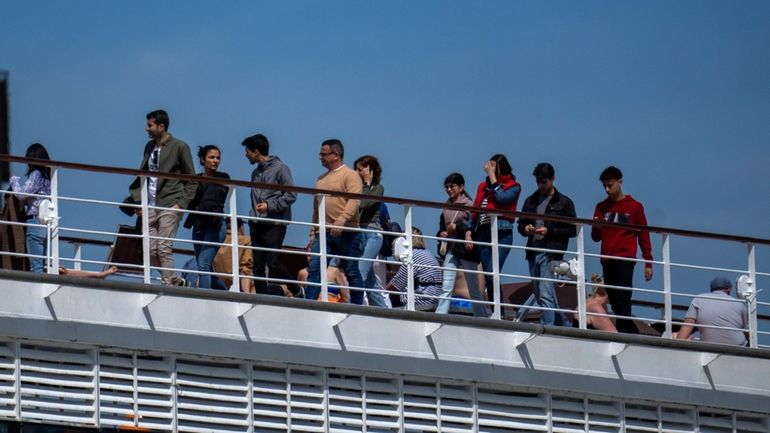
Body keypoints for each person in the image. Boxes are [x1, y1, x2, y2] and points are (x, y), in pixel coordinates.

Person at [128, 109, 196, 286]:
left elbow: (192, 179)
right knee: (149, 250)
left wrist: (181, 204)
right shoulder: (149, 147)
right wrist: (137, 200)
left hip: (170, 203)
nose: (146, 129)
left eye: (150, 125)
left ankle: (168, 286)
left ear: (161, 126)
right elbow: (143, 174)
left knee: (164, 248)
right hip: (150, 203)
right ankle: (175, 280)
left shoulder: (180, 147)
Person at [591, 166, 653, 334]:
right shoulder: (601, 207)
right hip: (607, 257)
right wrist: (596, 227)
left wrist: (648, 261)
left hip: (625, 258)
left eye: (610, 185)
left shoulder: (635, 207)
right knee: (614, 299)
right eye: (604, 186)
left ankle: (627, 331)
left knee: (623, 297)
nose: (607, 189)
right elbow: (595, 237)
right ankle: (627, 330)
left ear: (620, 182)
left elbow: (644, 235)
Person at [517, 163, 576, 326]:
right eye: (538, 182)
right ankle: (564, 324)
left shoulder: (564, 203)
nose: (541, 186)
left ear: (552, 179)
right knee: (540, 292)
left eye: (544, 182)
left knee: (544, 293)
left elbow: (572, 230)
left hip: (552, 253)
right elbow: (520, 224)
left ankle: (547, 328)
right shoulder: (531, 200)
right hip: (533, 251)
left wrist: (549, 230)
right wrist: (526, 228)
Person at [306, 139, 365, 304]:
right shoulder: (320, 179)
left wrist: (341, 220)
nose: (320, 157)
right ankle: (309, 303)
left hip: (348, 232)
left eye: (323, 154)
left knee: (351, 271)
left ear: (336, 155)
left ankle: (358, 305)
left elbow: (354, 200)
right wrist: (313, 232)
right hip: (323, 232)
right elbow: (316, 208)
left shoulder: (350, 175)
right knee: (315, 269)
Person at [464, 154, 521, 315]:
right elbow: (475, 210)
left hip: (501, 233)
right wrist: (469, 231)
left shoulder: (513, 186)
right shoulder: (483, 187)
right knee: (489, 274)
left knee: (492, 271)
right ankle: (497, 311)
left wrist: (492, 177)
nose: (490, 169)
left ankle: (499, 312)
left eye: (493, 166)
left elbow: (503, 198)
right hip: (482, 233)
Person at [241, 133, 297, 294]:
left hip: (275, 224)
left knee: (272, 263)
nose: (246, 155)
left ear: (256, 151)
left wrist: (269, 206)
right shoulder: (255, 173)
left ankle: (295, 289)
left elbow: (291, 195)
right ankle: (261, 296)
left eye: (247, 151)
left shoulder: (281, 168)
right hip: (257, 224)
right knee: (257, 265)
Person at [435, 173, 485, 317]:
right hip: (452, 249)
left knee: (473, 287)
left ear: (461, 187)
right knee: (447, 285)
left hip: (465, 249)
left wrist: (457, 228)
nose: (449, 189)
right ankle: (440, 316)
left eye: (452, 186)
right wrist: (441, 233)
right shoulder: (446, 207)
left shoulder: (469, 205)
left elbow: (474, 228)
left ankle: (481, 316)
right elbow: (441, 227)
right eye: (446, 187)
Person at [183, 145, 229, 290]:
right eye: (212, 157)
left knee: (203, 264)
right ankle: (225, 293)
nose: (215, 161)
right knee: (205, 268)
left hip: (215, 224)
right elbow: (188, 199)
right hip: (199, 224)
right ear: (203, 160)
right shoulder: (195, 179)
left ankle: (204, 299)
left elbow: (211, 199)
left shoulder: (223, 177)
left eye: (218, 158)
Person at [10, 143, 52, 273]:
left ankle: (39, 293)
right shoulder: (48, 177)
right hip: (46, 223)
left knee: (36, 266)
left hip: (34, 221)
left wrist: (14, 181)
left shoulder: (36, 174)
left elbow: (22, 194)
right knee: (42, 264)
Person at [354, 155, 388, 307]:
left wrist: (367, 184)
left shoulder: (378, 188)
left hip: (373, 234)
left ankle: (353, 306)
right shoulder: (356, 187)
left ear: (370, 171)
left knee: (360, 271)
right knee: (370, 282)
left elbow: (364, 204)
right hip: (359, 233)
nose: (356, 172)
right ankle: (383, 310)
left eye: (360, 169)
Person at [676, 276, 748, 346]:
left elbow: (688, 323)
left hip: (710, 347)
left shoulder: (699, 299)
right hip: (738, 347)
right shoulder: (740, 304)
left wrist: (678, 342)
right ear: (729, 288)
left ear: (711, 288)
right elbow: (747, 332)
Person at [387, 227, 444, 310]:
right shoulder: (427, 254)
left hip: (422, 301)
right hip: (433, 299)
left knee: (390, 300)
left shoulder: (413, 256)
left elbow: (396, 283)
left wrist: (381, 292)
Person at [212, 219, 254, 293]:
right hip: (236, 286)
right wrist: (246, 294)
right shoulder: (246, 240)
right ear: (240, 227)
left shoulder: (215, 240)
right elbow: (246, 268)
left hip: (216, 284)